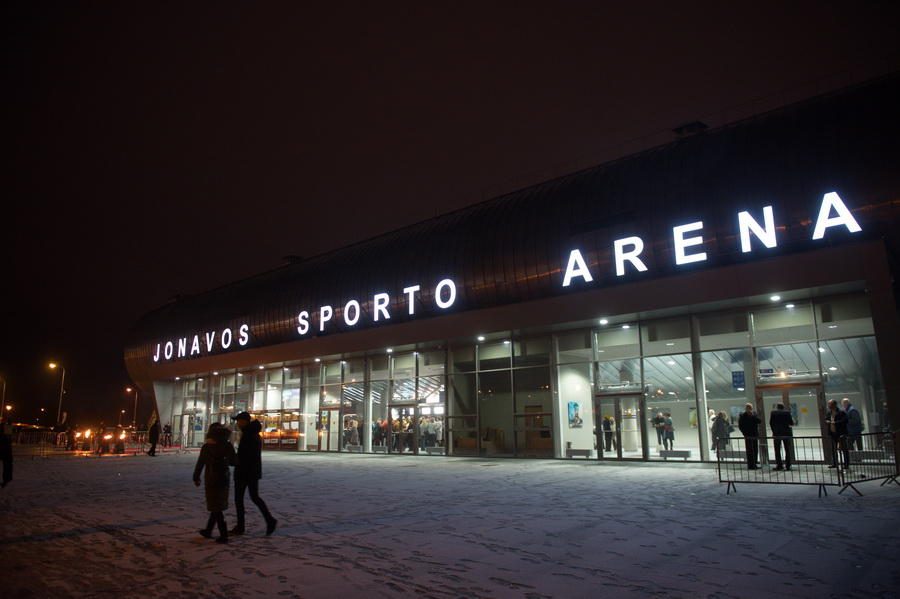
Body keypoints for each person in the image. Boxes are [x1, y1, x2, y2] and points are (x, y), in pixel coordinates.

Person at [231, 412, 277, 536]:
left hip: (244, 472)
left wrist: (235, 460)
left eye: (239, 421)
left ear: (245, 421)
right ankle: (269, 520)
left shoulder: (249, 435)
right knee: (254, 497)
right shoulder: (252, 433)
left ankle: (241, 527)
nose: (237, 423)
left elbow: (246, 456)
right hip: (252, 472)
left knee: (239, 499)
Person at [193, 423, 236, 543]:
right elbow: (234, 462)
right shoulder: (227, 445)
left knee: (215, 506)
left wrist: (196, 477)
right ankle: (208, 530)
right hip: (224, 478)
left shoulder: (207, 447)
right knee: (217, 505)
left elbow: (200, 463)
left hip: (211, 478)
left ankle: (223, 535)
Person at [769, 403, 794, 471]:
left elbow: (771, 423)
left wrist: (774, 431)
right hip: (786, 434)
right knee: (787, 450)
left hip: (777, 434)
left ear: (777, 407)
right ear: (783, 407)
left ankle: (779, 465)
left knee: (777, 450)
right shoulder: (787, 413)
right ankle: (788, 465)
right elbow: (791, 423)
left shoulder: (773, 413)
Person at [826, 399, 849, 471]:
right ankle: (835, 463)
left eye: (830, 404)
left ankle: (846, 464)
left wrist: (835, 422)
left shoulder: (841, 412)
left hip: (841, 433)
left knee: (844, 449)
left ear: (834, 405)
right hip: (833, 433)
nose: (829, 406)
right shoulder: (829, 413)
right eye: (828, 404)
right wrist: (827, 421)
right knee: (833, 449)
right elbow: (826, 419)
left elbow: (845, 420)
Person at [738, 403, 761, 470]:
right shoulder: (743, 416)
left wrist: (744, 433)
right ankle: (752, 464)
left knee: (752, 450)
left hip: (751, 435)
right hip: (750, 435)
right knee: (751, 450)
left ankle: (753, 464)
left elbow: (759, 421)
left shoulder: (751, 415)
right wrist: (744, 433)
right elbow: (741, 425)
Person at [1, 419, 12, 488]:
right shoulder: (7, 432)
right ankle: (7, 479)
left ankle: (6, 479)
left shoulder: (5, 433)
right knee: (7, 465)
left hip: (5, 452)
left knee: (7, 465)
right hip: (6, 452)